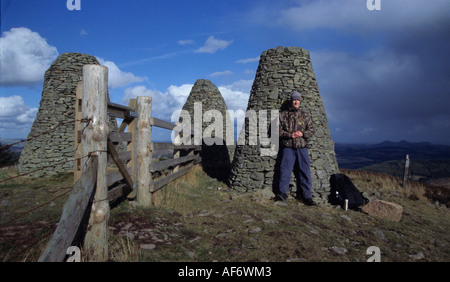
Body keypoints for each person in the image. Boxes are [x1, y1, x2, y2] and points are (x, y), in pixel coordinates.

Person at [276, 91, 316, 206]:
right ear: (291, 101)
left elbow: (312, 130)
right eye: (294, 100)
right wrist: (289, 135)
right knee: (285, 171)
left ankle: (307, 196)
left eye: (298, 100)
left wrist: (302, 133)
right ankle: (282, 194)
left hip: (302, 147)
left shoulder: (305, 115)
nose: (296, 101)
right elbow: (276, 130)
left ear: (300, 101)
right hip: (288, 147)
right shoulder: (282, 115)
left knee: (305, 172)